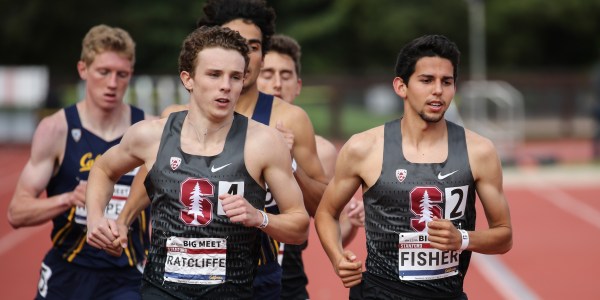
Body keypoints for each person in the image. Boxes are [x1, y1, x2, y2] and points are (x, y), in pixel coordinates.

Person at [85, 25, 309, 299]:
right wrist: (96, 218)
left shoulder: (264, 143)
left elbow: (299, 226)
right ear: (187, 78)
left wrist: (259, 218)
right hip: (161, 290)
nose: (226, 86)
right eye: (214, 75)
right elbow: (103, 169)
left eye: (235, 77)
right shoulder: (151, 136)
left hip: (233, 292)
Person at [315, 34, 513, 299]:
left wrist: (462, 239)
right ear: (401, 86)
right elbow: (326, 213)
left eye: (447, 82)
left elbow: (504, 236)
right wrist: (338, 258)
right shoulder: (363, 148)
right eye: (426, 80)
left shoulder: (479, 151)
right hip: (379, 293)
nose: (438, 91)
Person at [6, 24, 152, 299]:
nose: (112, 83)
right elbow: (17, 212)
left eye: (121, 74)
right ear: (83, 70)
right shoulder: (55, 129)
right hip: (68, 272)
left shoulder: (147, 130)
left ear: (130, 75)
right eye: (103, 72)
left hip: (128, 275)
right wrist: (68, 198)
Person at [257, 33, 364, 299]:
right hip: (237, 274)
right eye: (267, 74)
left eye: (286, 75)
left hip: (289, 277)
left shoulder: (324, 152)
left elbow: (329, 221)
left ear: (298, 85)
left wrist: (350, 224)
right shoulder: (232, 137)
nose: (277, 83)